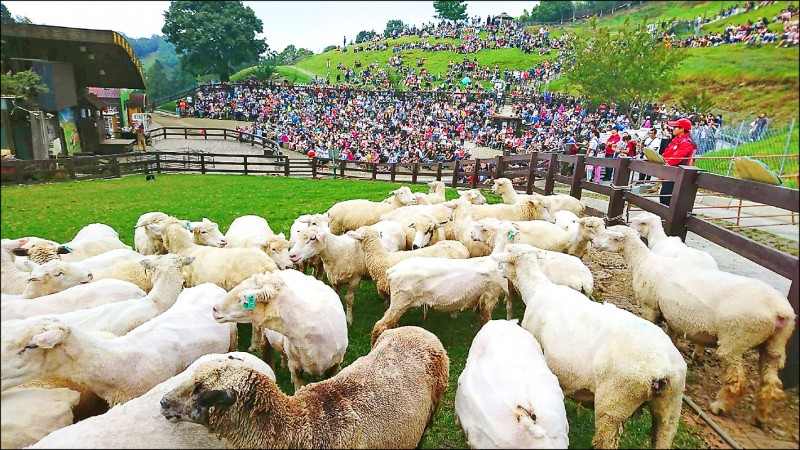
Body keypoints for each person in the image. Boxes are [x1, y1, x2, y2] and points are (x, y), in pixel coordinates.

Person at [659, 118, 697, 206]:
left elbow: (676, 159)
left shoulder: (686, 143)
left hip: (676, 174)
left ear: (682, 129)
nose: (673, 129)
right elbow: (666, 153)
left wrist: (663, 164)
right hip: (669, 173)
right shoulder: (675, 140)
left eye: (675, 127)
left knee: (667, 197)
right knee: (664, 196)